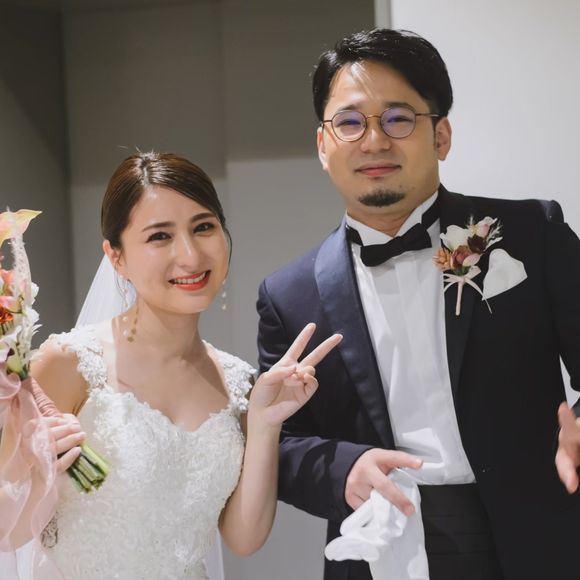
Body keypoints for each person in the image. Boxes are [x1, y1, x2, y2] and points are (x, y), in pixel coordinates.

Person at [257, 28, 580, 580]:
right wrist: (343, 467)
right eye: (350, 122)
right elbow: (279, 442)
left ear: (441, 135)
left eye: (398, 118)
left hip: (533, 536)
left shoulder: (530, 233)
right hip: (380, 545)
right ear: (323, 145)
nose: (374, 141)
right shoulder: (288, 295)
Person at [1, 152, 341, 580]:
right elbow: (7, 533)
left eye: (203, 227)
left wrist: (265, 424)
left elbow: (244, 538)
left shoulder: (238, 382)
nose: (190, 254)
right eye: (160, 236)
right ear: (117, 257)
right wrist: (32, 466)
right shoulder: (67, 364)